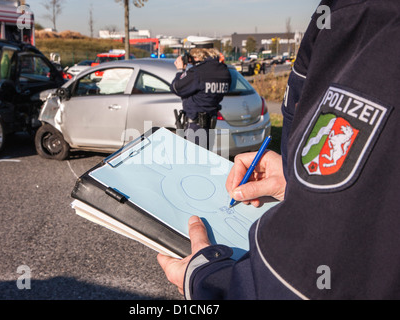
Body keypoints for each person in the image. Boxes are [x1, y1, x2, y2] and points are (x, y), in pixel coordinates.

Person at [158, 0, 400, 299]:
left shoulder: (367, 19)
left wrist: (205, 281)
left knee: (191, 166)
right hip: (215, 122)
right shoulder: (222, 70)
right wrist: (294, 177)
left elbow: (294, 281)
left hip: (195, 122)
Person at [170, 48, 231, 150]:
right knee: (204, 159)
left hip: (195, 126)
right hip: (210, 125)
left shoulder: (197, 72)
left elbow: (176, 87)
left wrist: (180, 70)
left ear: (198, 55)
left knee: (192, 160)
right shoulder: (224, 71)